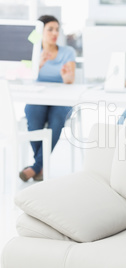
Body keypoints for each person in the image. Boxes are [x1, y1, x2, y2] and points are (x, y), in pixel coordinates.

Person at [19, 15, 76, 182]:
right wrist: (38, 65)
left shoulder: (68, 52)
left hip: (61, 99)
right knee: (33, 115)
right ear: (40, 32)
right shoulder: (32, 52)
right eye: (50, 29)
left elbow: (70, 80)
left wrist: (66, 77)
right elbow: (23, 78)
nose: (55, 33)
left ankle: (35, 167)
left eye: (57, 29)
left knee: (57, 118)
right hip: (38, 97)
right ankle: (39, 167)